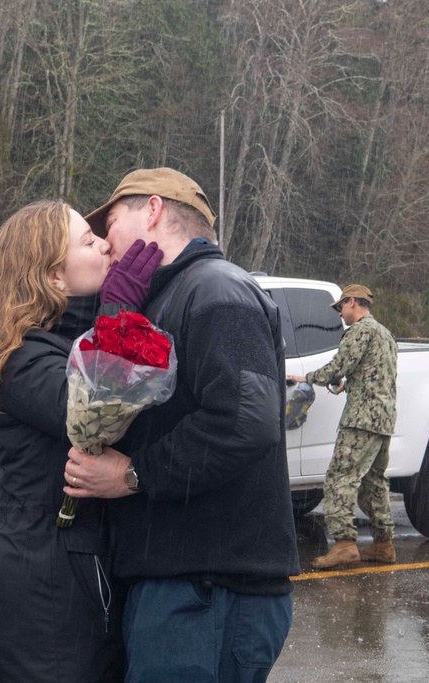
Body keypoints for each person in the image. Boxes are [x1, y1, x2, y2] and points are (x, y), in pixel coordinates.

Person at [63, 167, 299, 682]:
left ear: (152, 209)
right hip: (183, 587)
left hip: (208, 592)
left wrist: (132, 474)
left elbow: (247, 422)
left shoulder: (217, 290)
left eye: (112, 222)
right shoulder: (171, 294)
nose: (105, 242)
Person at [0, 200, 159, 682]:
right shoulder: (18, 355)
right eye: (87, 241)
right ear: (54, 277)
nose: (104, 243)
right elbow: (90, 412)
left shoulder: (62, 341)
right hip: (42, 592)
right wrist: (118, 313)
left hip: (69, 579)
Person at [287, 284, 399, 569]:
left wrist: (307, 378)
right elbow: (375, 374)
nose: (340, 314)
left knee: (339, 478)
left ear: (352, 302)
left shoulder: (360, 331)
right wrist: (346, 385)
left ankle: (344, 545)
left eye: (340, 308)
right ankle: (384, 544)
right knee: (373, 483)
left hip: (360, 421)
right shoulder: (385, 334)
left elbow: (338, 365)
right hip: (383, 420)